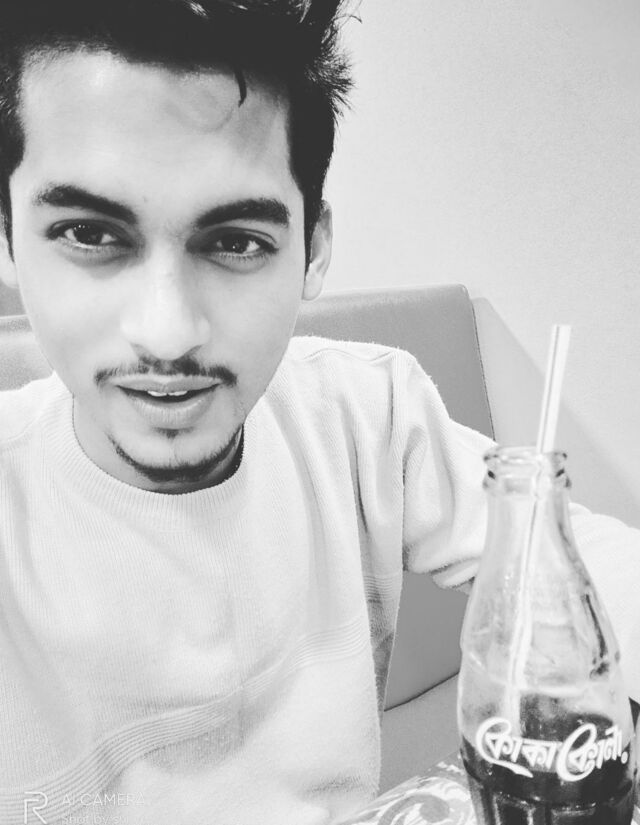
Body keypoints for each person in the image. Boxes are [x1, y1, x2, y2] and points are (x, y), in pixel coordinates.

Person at [0, 2, 638, 824]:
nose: (167, 331)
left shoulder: (365, 414)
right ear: (9, 239)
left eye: (236, 241)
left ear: (314, 247)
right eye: (90, 233)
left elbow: (586, 569)